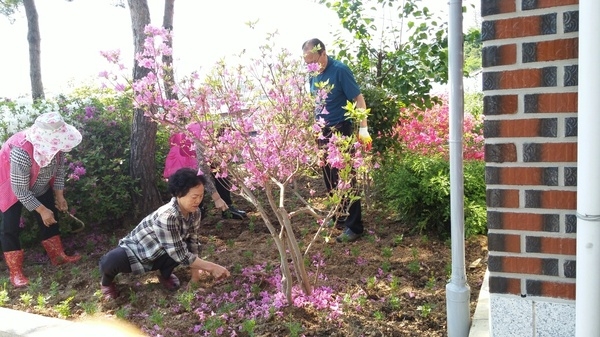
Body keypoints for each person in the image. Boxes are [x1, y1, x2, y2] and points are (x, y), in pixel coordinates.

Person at [98, 168, 231, 300]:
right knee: (110, 262)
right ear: (179, 194)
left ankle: (165, 275)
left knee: (185, 246)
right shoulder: (167, 216)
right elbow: (179, 255)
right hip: (138, 251)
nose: (198, 201)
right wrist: (212, 267)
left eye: (201, 196)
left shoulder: (195, 213)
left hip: (163, 252)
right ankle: (106, 283)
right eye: (194, 197)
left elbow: (193, 243)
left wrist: (195, 277)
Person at [0, 112, 83, 288]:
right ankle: (16, 272)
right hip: (11, 185)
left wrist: (59, 196)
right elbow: (20, 190)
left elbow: (59, 171)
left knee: (50, 218)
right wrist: (41, 210)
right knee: (10, 227)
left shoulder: (58, 146)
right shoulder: (21, 151)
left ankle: (58, 256)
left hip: (40, 182)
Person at [302, 38, 372, 243]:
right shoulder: (313, 75)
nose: (311, 66)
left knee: (345, 178)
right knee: (329, 177)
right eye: (307, 63)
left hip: (340, 130)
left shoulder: (340, 70)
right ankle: (340, 216)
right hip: (322, 132)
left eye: (313, 61)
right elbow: (316, 105)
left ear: (323, 54)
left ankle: (355, 227)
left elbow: (358, 99)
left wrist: (363, 128)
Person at [163, 124, 247, 220]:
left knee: (220, 171)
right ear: (220, 139)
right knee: (193, 186)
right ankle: (196, 212)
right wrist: (217, 198)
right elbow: (204, 174)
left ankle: (227, 208)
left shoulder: (209, 136)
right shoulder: (202, 141)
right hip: (184, 163)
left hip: (192, 158)